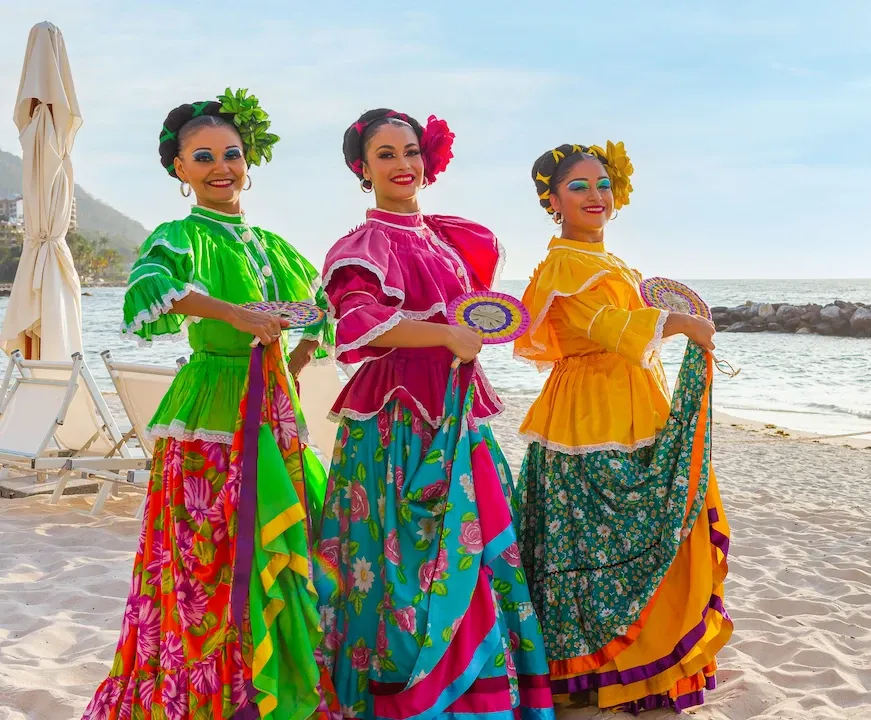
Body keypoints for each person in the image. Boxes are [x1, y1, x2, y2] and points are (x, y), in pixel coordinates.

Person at [83, 90, 338, 719]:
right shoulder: (182, 234)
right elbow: (153, 290)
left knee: (285, 539)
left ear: (248, 161)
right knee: (208, 553)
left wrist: (298, 362)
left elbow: (326, 305)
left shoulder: (275, 245)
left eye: (232, 154)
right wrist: (236, 315)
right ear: (180, 170)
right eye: (204, 157)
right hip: (212, 404)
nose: (221, 166)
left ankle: (277, 680)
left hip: (274, 402)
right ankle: (212, 692)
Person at [312, 108, 553, 720]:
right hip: (396, 414)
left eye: (411, 151)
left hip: (459, 405)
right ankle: (404, 689)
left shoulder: (442, 240)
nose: (402, 165)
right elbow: (357, 324)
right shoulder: (363, 245)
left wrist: (458, 337)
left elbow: (467, 310)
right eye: (386, 154)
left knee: (469, 548)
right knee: (400, 554)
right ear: (361, 169)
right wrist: (444, 338)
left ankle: (475, 691)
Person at [514, 142, 733, 712]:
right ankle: (597, 678)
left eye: (603, 184)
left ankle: (649, 670)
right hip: (587, 412)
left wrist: (671, 323)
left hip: (639, 399)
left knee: (660, 527)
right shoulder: (563, 264)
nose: (596, 195)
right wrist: (677, 321)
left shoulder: (614, 263)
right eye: (579, 186)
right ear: (553, 200)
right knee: (592, 535)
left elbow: (628, 326)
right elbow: (600, 323)